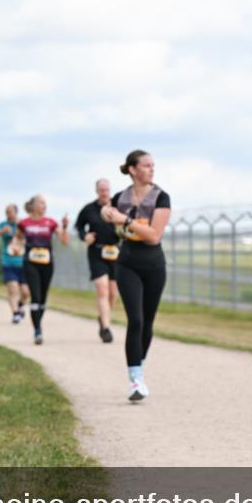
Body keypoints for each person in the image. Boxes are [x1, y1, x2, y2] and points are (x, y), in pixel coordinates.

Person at [101, 150, 172, 402]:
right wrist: (106, 213)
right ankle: (135, 380)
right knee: (136, 320)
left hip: (153, 265)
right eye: (146, 165)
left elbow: (153, 236)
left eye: (153, 165)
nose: (152, 169)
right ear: (133, 170)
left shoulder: (161, 197)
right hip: (127, 264)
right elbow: (107, 213)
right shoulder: (121, 197)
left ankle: (138, 366)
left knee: (148, 321)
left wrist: (125, 220)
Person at [16, 195, 69, 345]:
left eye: (45, 203)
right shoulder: (24, 223)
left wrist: (65, 227)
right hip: (30, 263)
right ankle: (37, 330)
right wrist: (16, 247)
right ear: (33, 206)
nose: (44, 206)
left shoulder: (51, 222)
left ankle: (38, 323)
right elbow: (17, 238)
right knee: (36, 296)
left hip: (47, 263)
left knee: (43, 299)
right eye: (41, 203)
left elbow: (64, 241)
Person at [76, 178, 121, 343]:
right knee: (102, 289)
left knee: (113, 293)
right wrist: (84, 236)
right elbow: (79, 226)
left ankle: (102, 318)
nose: (105, 193)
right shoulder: (88, 209)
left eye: (107, 190)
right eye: (102, 190)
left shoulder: (117, 207)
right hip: (97, 252)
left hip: (115, 253)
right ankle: (106, 328)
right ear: (97, 191)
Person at [0, 204, 30, 323]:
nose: (8, 214)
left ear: (16, 212)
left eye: (10, 212)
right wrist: (1, 231)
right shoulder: (3, 225)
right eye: (6, 212)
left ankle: (20, 304)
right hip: (8, 261)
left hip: (23, 262)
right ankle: (15, 313)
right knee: (13, 289)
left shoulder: (23, 225)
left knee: (26, 292)